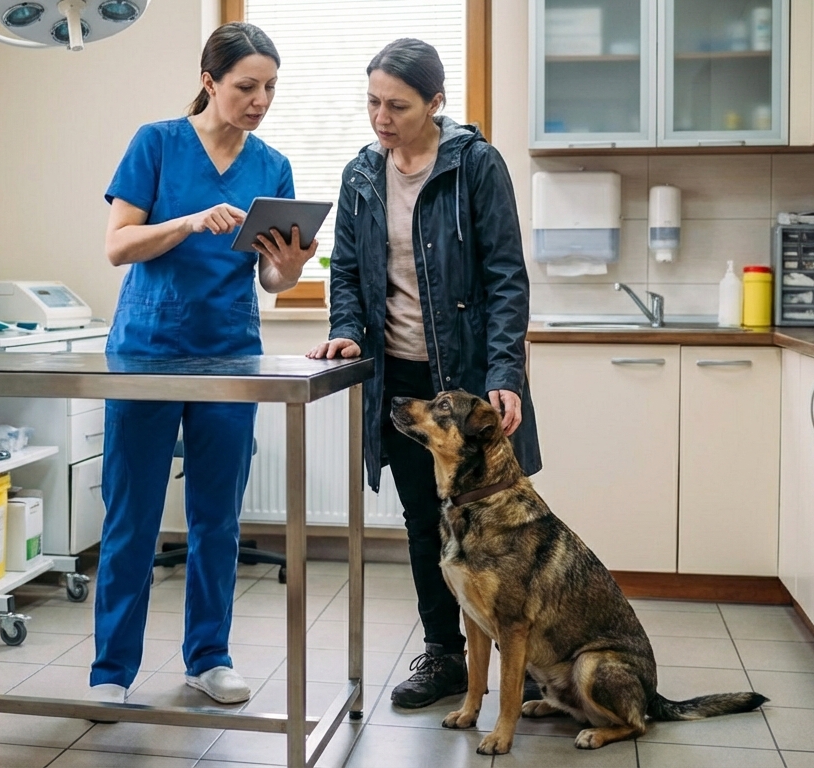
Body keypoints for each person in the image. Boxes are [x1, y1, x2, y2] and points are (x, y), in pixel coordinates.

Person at [307, 38, 542, 709]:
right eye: (373, 102)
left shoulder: (475, 166)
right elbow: (347, 273)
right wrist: (346, 331)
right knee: (423, 525)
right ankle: (445, 656)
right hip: (401, 386)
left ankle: (525, 661)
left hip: (468, 384)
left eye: (398, 105)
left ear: (435, 103)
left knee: (499, 524)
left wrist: (506, 373)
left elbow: (505, 278)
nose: (382, 116)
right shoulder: (360, 174)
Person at [92, 22, 317, 706]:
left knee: (217, 518)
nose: (260, 100)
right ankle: (111, 672)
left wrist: (287, 268)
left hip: (228, 353)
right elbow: (117, 246)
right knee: (131, 519)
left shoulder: (271, 165)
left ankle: (209, 657)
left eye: (270, 88)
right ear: (209, 80)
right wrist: (187, 222)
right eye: (247, 86)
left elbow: (272, 284)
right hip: (146, 353)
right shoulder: (156, 143)